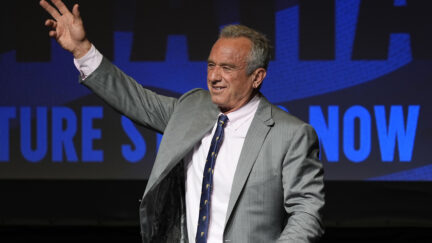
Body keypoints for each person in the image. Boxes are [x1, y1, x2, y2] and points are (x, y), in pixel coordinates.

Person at [40, 0, 325, 242]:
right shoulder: (192, 108)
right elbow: (136, 100)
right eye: (211, 65)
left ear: (257, 76)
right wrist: (82, 50)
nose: (214, 76)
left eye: (227, 68)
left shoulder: (291, 135)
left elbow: (307, 211)